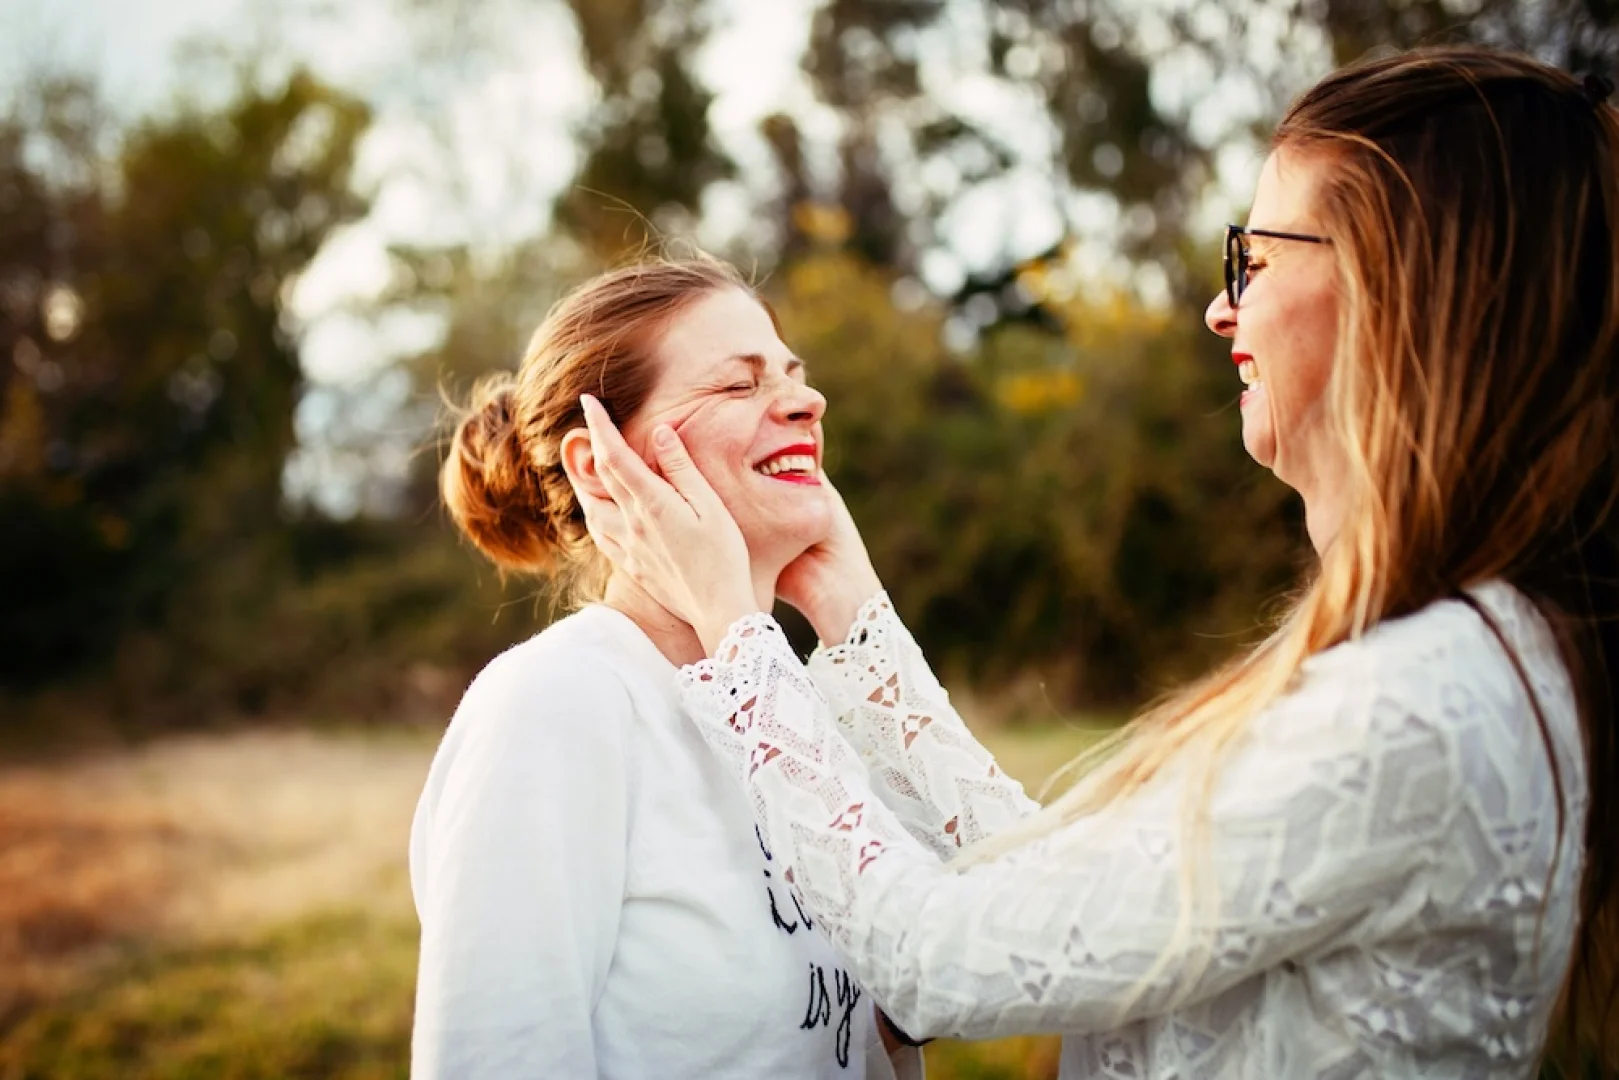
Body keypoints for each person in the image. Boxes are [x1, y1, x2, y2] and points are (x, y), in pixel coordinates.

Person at [576, 47, 1619, 1077]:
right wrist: (847, 615)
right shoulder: (1454, 659)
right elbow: (1060, 905)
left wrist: (736, 638)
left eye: (1250, 263)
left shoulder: (1414, 704)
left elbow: (942, 959)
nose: (1222, 308)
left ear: (1402, 287)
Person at [409, 257, 949, 1078]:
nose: (808, 402)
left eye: (795, 375)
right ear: (598, 466)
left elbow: (951, 968)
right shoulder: (556, 704)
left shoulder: (794, 704)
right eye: (739, 386)